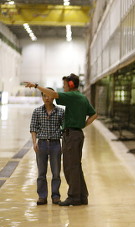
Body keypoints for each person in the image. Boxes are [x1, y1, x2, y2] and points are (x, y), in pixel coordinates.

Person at [25, 73, 98, 206]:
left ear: (70, 85)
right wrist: (82, 125)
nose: (63, 88)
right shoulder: (82, 97)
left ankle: (74, 197)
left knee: (70, 167)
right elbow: (94, 114)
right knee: (76, 166)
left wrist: (36, 86)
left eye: (64, 85)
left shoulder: (72, 96)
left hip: (72, 136)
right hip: (77, 134)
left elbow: (53, 94)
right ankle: (82, 196)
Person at [30, 88, 65, 205]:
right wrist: (34, 142)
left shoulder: (60, 112)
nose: (47, 98)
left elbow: (64, 129)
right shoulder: (37, 111)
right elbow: (33, 128)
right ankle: (42, 196)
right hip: (42, 144)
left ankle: (55, 196)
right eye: (44, 96)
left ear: (54, 97)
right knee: (41, 173)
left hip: (55, 144)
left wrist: (63, 145)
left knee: (56, 172)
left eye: (49, 96)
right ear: (42, 97)